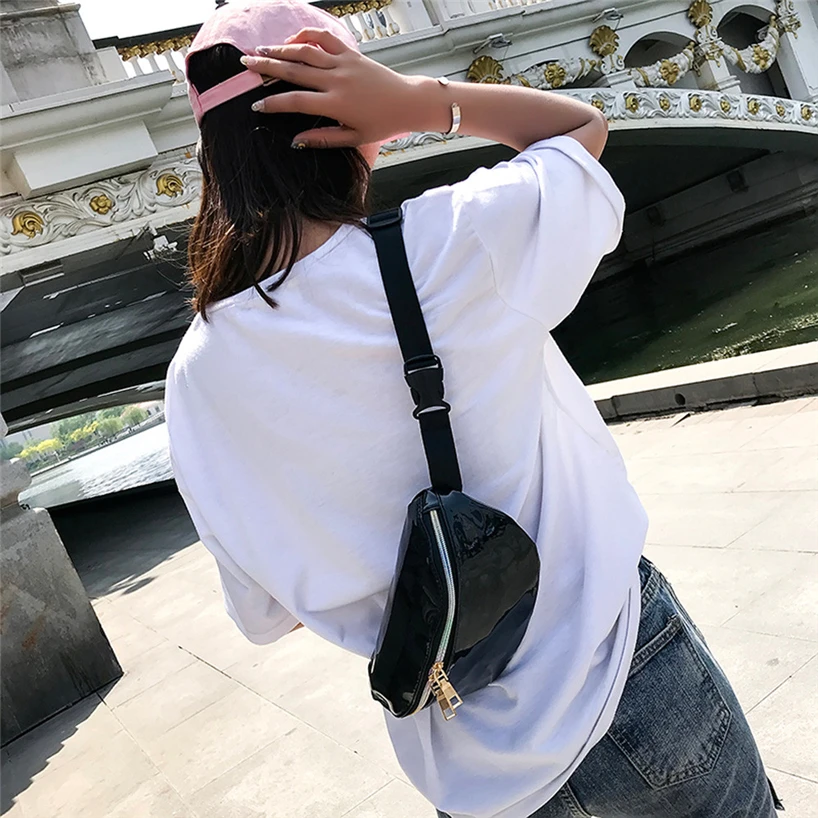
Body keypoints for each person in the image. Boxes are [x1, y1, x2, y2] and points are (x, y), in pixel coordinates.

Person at [166, 2, 782, 816]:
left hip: (472, 769)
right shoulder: (451, 239)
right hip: (627, 672)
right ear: (355, 116)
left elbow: (266, 615)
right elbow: (580, 131)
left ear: (215, 161)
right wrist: (424, 102)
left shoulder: (197, 380)